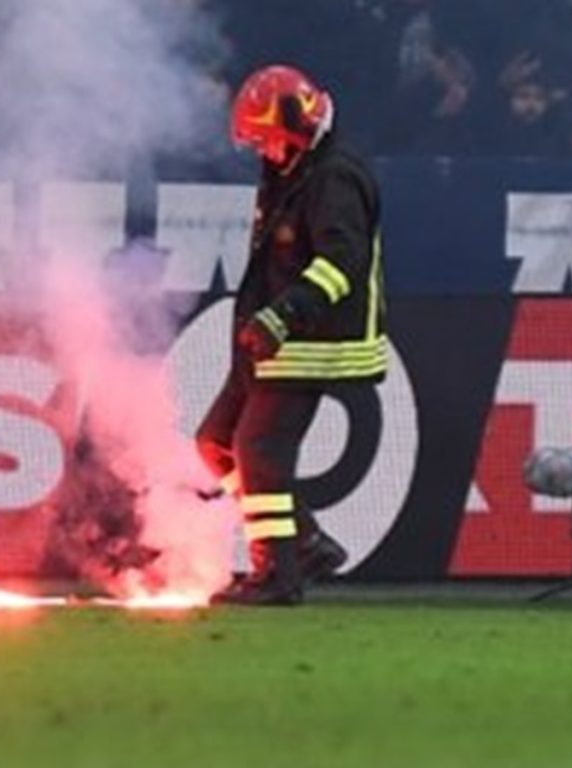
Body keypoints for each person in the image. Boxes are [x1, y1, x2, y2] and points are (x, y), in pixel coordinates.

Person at [196, 64, 388, 606]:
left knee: (259, 449)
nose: (264, 151)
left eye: (268, 139)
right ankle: (303, 543)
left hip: (312, 338)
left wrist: (283, 315)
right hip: (278, 334)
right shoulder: (298, 164)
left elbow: (341, 263)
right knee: (215, 442)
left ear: (297, 126)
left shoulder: (334, 176)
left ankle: (276, 575)